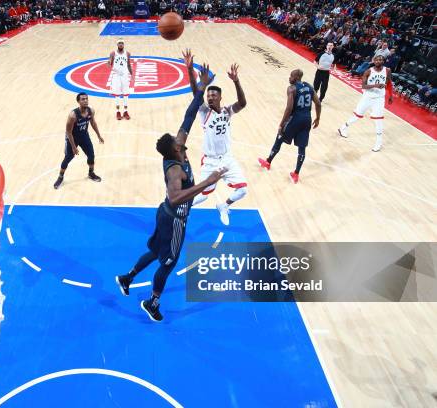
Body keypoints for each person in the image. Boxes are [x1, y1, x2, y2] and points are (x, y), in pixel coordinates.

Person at [115, 60, 225, 322]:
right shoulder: (175, 170)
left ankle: (126, 278)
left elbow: (189, 115)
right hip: (175, 218)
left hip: (163, 213)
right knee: (168, 262)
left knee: (155, 252)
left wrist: (201, 86)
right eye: (178, 141)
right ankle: (152, 303)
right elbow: (177, 196)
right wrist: (205, 182)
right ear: (174, 150)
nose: (181, 138)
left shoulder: (177, 147)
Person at [183, 49, 248, 226]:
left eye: (213, 95)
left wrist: (236, 81)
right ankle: (183, 209)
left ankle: (224, 206)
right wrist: (190, 70)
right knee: (203, 197)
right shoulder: (204, 112)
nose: (210, 97)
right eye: (209, 95)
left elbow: (242, 103)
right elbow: (196, 92)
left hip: (227, 159)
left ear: (220, 97)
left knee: (242, 191)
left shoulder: (228, 111)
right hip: (210, 161)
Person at [258, 69, 321, 184]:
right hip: (307, 120)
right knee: (302, 148)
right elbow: (318, 103)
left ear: (296, 77)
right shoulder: (310, 87)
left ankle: (268, 162)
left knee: (279, 138)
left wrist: (282, 124)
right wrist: (318, 118)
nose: (289, 78)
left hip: (295, 119)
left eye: (291, 76)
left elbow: (289, 108)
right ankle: (296, 174)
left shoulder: (292, 88)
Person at [338, 55, 393, 152]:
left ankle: (378, 142)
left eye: (380, 59)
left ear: (383, 61)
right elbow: (363, 85)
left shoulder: (387, 70)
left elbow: (389, 83)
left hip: (379, 98)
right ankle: (343, 127)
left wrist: (391, 95)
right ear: (374, 61)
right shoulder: (368, 71)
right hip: (367, 97)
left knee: (378, 120)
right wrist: (376, 85)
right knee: (357, 116)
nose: (378, 61)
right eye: (376, 59)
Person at [53, 93, 104, 189]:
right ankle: (60, 177)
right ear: (78, 101)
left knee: (91, 155)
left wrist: (99, 135)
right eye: (83, 99)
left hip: (84, 136)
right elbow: (68, 132)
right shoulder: (73, 115)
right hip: (72, 138)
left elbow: (93, 122)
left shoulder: (91, 111)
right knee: (68, 157)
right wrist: (73, 147)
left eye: (86, 99)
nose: (85, 101)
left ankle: (91, 173)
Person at [108, 38, 133, 120]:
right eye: (119, 43)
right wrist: (109, 62)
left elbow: (129, 65)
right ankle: (118, 112)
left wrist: (131, 75)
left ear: (124, 44)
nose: (121, 44)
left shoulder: (127, 53)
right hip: (116, 76)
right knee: (117, 95)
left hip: (125, 76)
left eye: (122, 43)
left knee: (126, 94)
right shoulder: (113, 53)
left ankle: (125, 111)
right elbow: (109, 65)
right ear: (117, 44)